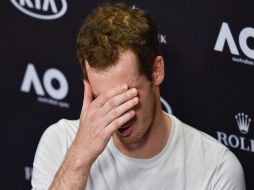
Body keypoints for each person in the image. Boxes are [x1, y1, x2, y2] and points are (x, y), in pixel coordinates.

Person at [31, 3, 246, 190]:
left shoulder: (216, 168)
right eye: (103, 100)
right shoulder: (61, 143)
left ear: (156, 71)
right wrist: (79, 158)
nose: (120, 115)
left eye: (127, 96)